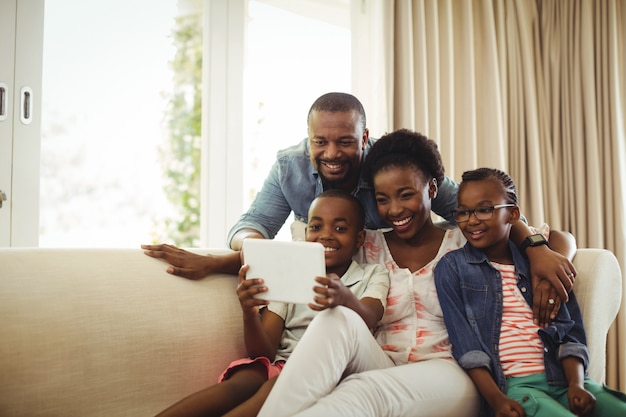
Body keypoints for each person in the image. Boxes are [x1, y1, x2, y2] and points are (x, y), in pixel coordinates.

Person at [142, 92, 577, 321]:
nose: (332, 152)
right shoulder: (290, 167)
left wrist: (537, 247)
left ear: (364, 139)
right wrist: (240, 255)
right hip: (322, 292)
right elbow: (250, 226)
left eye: (346, 141)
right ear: (308, 138)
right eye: (320, 142)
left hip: (372, 295)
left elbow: (480, 209)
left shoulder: (396, 169)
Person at [256, 129, 576, 417]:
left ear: (432, 189)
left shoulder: (465, 239)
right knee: (337, 319)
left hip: (452, 375)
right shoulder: (364, 243)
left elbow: (558, 238)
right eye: (383, 199)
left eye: (406, 194)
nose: (395, 210)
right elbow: (302, 249)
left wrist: (540, 254)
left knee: (362, 391)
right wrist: (221, 263)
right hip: (380, 363)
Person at [154, 189, 389, 417]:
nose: (326, 235)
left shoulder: (373, 274)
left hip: (333, 372)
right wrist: (249, 311)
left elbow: (370, 314)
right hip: (282, 363)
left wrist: (344, 298)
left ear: (359, 238)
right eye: (316, 227)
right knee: (245, 380)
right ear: (306, 233)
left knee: (275, 385)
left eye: (340, 228)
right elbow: (264, 350)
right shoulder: (289, 274)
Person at [434, 167, 626, 417]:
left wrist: (577, 384)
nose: (471, 220)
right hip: (516, 388)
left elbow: (568, 331)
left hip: (565, 380)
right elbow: (467, 349)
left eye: (484, 209)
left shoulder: (538, 265)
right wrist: (497, 401)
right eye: (463, 212)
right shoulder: (452, 269)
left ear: (513, 214)